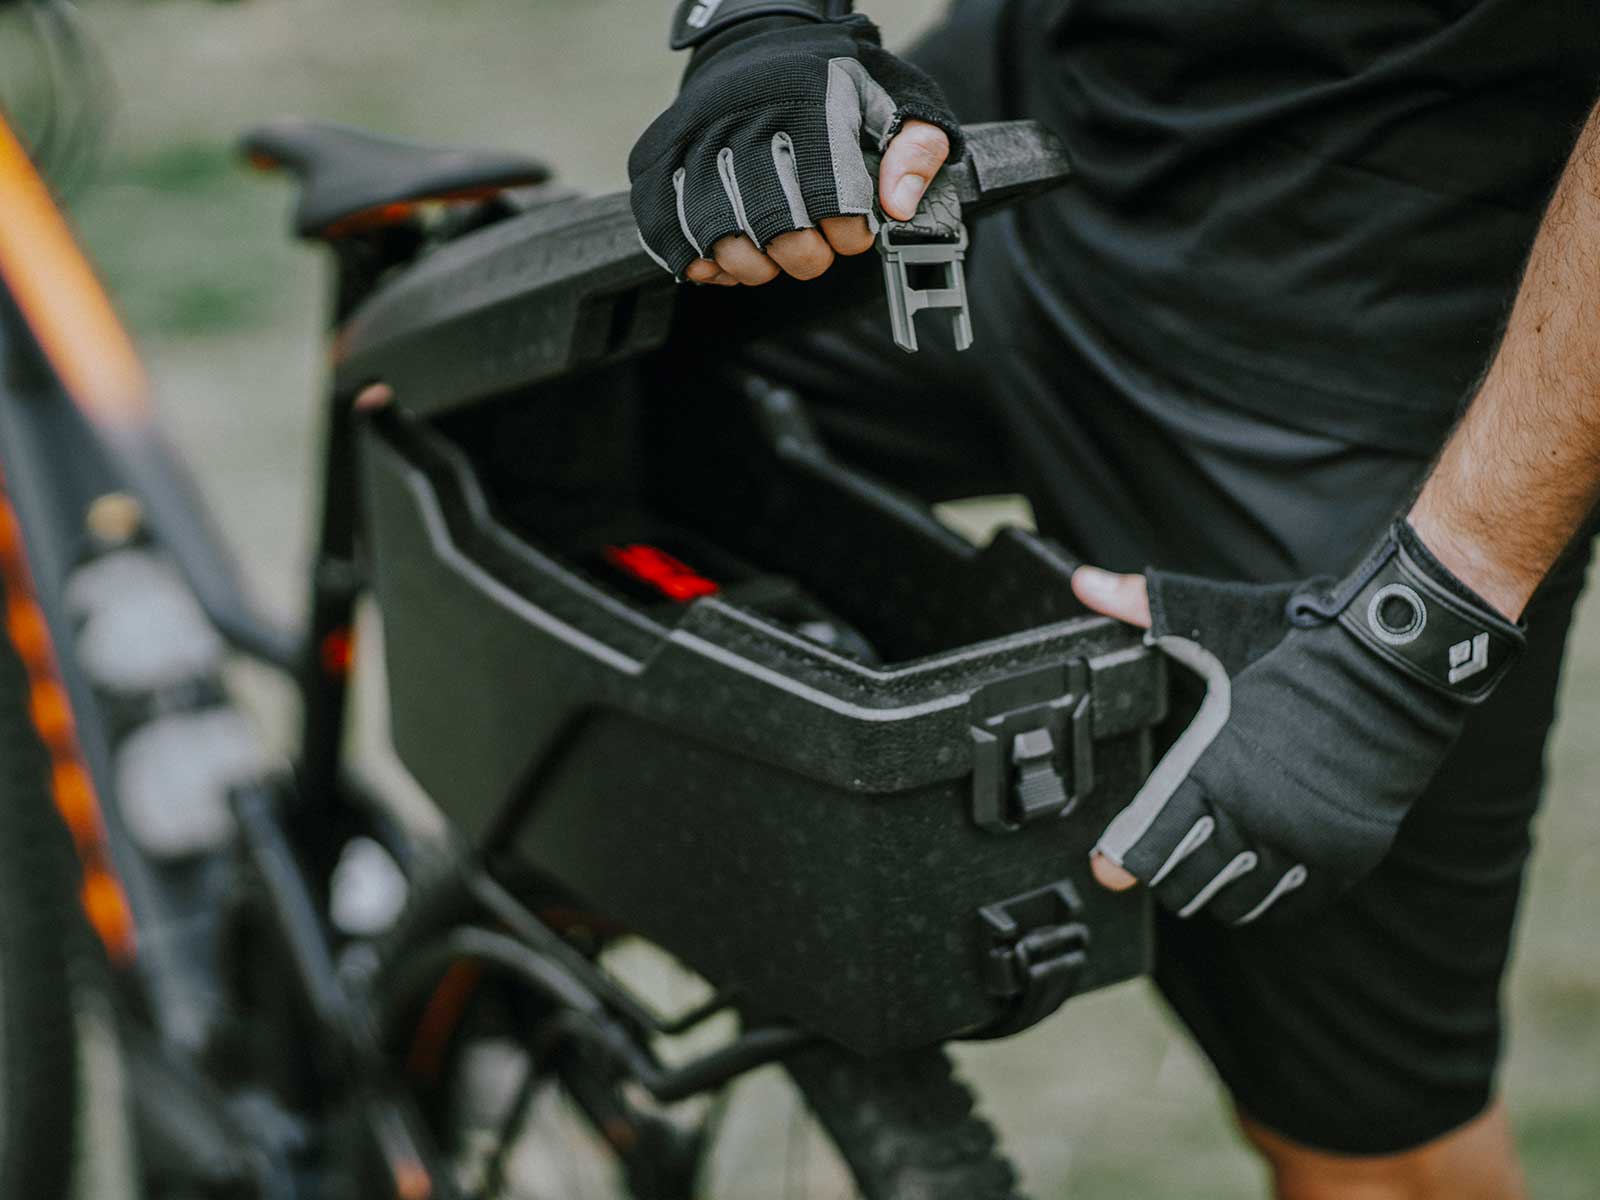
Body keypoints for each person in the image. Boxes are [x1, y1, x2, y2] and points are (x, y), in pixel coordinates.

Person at [629, 1, 1600, 1197]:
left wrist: (1425, 619)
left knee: (1379, 1155)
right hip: (1021, 113)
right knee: (527, 418)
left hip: (1371, 306)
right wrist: (770, 20)